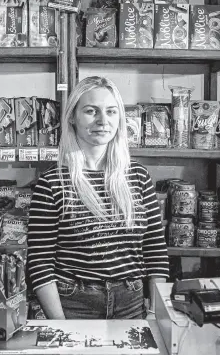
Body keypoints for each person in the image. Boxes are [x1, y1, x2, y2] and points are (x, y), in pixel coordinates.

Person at [27, 76, 169, 320]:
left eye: (111, 112)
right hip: (73, 304)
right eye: (91, 111)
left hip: (131, 302)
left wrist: (157, 313)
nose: (103, 121)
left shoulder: (138, 176)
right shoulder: (52, 182)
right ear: (72, 116)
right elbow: (40, 262)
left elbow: (155, 251)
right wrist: (61, 325)